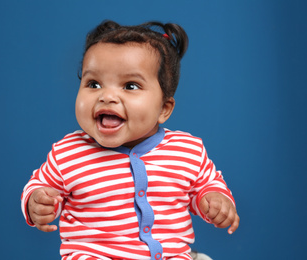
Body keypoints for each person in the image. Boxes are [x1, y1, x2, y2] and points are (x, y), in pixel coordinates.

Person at [21, 20, 240, 260]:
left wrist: (214, 200)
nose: (107, 96)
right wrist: (37, 201)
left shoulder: (187, 151)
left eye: (130, 85)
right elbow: (40, 184)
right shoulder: (69, 153)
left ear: (164, 109)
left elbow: (206, 186)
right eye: (93, 84)